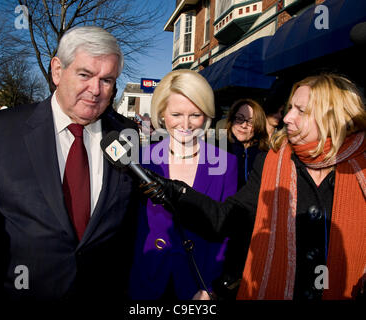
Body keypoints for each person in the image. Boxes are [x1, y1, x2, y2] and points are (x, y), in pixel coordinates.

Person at [141, 73, 366, 300]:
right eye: (290, 108)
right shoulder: (271, 162)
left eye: (301, 111)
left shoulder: (361, 169)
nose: (287, 117)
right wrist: (176, 191)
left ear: (334, 117)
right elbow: (228, 218)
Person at [0, 26, 139, 303]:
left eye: (107, 80)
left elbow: (128, 225)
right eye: (85, 75)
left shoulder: (126, 134)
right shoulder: (0, 131)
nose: (95, 90)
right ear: (57, 71)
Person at [129, 69, 238, 300]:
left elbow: (228, 232)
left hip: (199, 284)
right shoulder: (141, 161)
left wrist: (213, 285)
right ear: (162, 114)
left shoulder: (227, 164)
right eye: (176, 114)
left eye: (195, 115)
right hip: (148, 278)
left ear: (207, 115)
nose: (186, 124)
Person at [225, 98, 269, 190]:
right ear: (232, 120)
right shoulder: (219, 148)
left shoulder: (265, 155)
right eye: (239, 118)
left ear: (258, 125)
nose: (244, 125)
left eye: (251, 122)